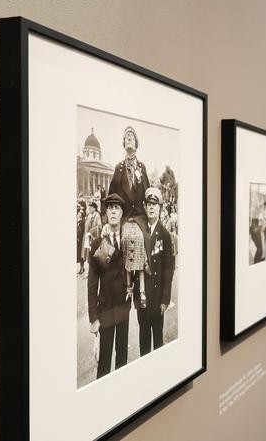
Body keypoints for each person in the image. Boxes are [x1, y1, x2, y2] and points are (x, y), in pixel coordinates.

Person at [87, 193, 130, 379]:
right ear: (106, 212)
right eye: (110, 207)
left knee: (122, 358)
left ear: (121, 213)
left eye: (117, 208)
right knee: (104, 363)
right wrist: (93, 317)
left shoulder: (129, 241)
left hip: (123, 308)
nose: (113, 211)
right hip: (104, 311)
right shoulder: (98, 243)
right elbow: (91, 285)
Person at [109, 126, 150, 308]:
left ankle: (141, 288)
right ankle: (128, 286)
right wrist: (110, 220)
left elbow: (148, 193)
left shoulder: (142, 167)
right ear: (123, 143)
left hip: (140, 217)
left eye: (132, 137)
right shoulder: (118, 168)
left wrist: (152, 217)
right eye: (126, 137)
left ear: (137, 143)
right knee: (124, 239)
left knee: (141, 239)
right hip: (125, 217)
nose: (129, 139)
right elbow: (111, 197)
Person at [133, 187, 175, 356]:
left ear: (160, 208)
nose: (151, 208)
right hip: (142, 295)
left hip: (157, 298)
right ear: (145, 206)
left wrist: (165, 299)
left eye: (154, 204)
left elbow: (168, 270)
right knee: (143, 338)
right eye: (149, 204)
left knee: (157, 340)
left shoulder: (165, 235)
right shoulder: (138, 231)